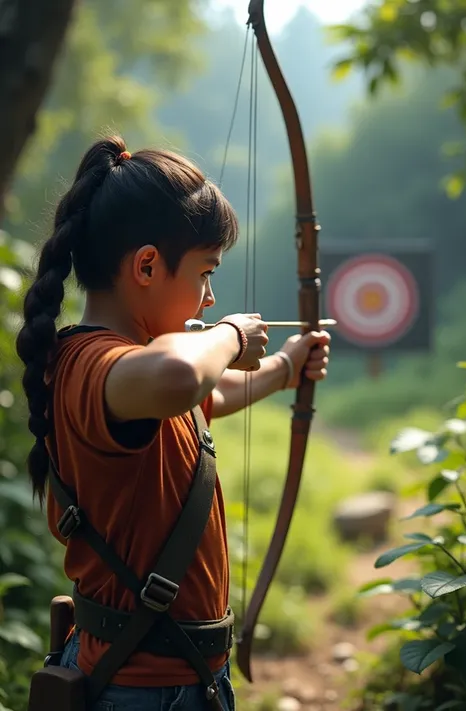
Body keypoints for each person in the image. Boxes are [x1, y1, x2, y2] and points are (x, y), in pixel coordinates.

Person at [16, 135, 330, 711]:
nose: (209, 298)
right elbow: (181, 375)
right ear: (146, 265)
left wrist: (285, 368)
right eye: (206, 272)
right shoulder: (94, 365)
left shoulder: (132, 370)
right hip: (142, 689)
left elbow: (203, 391)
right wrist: (231, 335)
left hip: (176, 678)